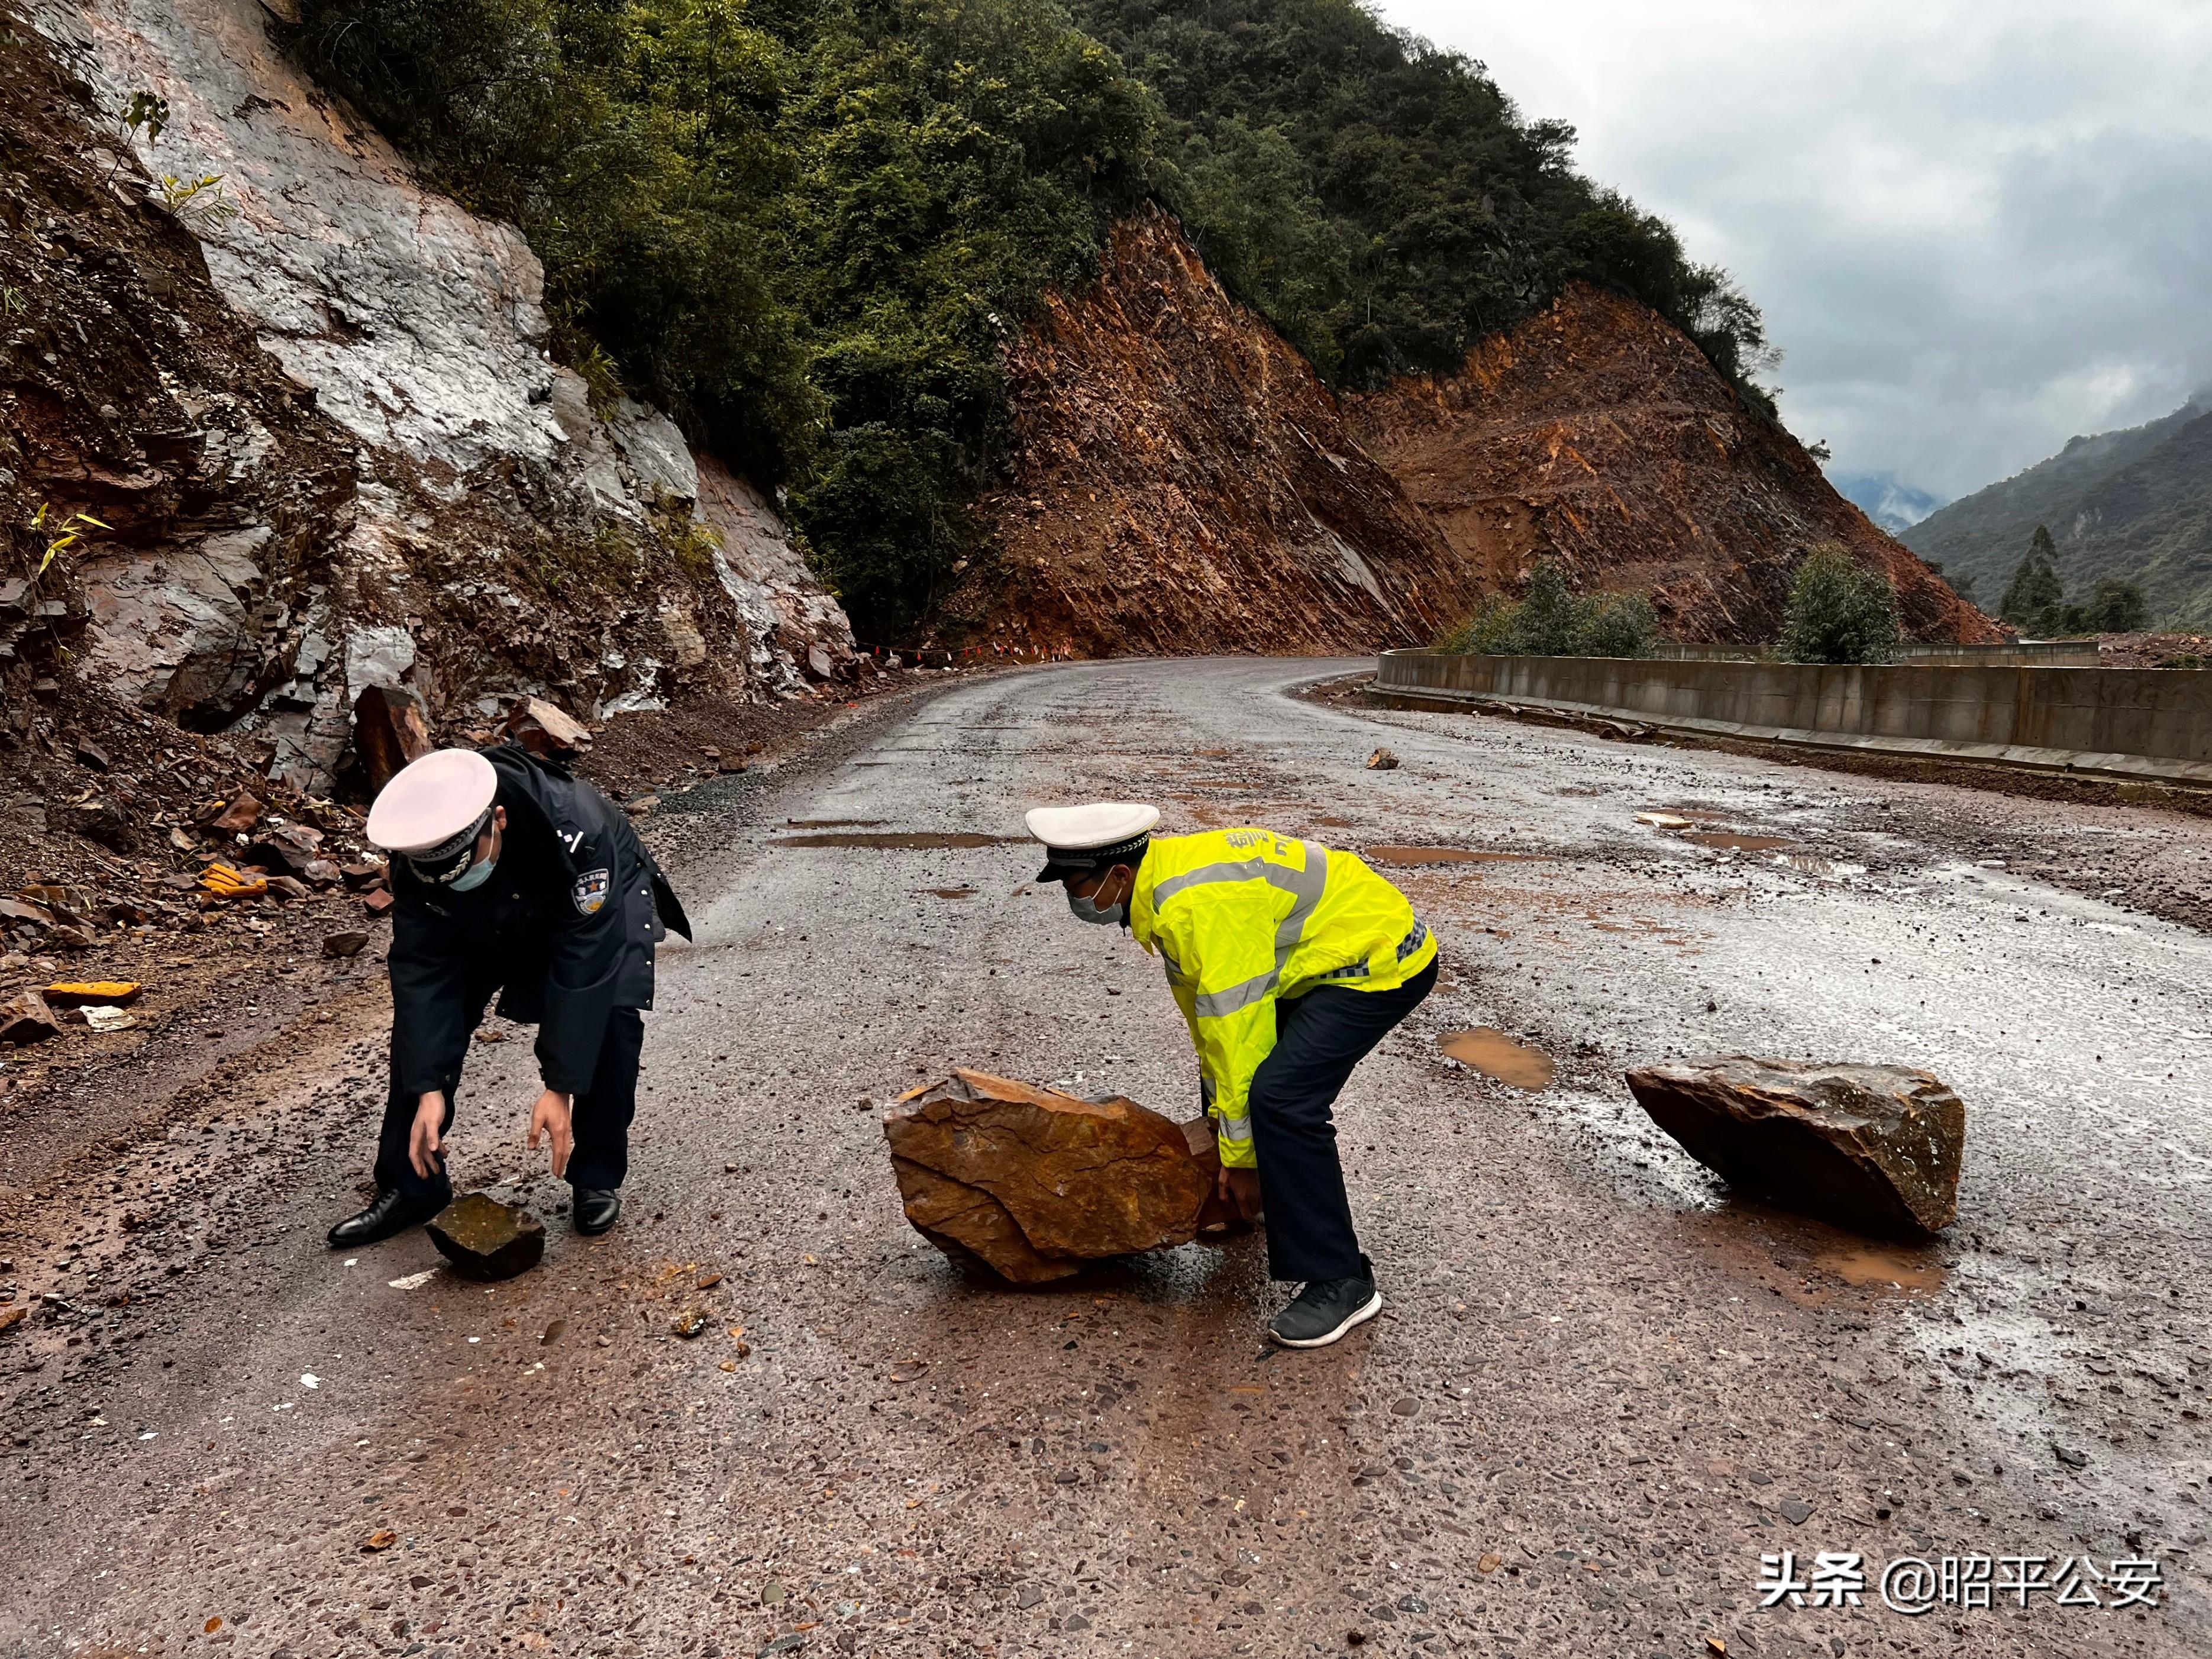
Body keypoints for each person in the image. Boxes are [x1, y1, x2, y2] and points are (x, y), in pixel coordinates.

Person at [1025, 802, 1437, 1347]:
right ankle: (1251, 1199)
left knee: (1282, 1100)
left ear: (1119, 874)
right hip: (1314, 960)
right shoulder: (1162, 888)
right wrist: (1225, 1132)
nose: (1074, 899)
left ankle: (1342, 1280)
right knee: (1232, 1080)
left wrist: (1241, 1155)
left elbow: (1237, 1033)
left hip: (1375, 963)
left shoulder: (1198, 906)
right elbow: (1212, 1029)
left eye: (1076, 886)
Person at [327, 744, 690, 1248]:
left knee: (608, 1019)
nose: (453, 879)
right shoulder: (420, 847)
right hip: (481, 913)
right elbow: (423, 974)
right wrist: (428, 1083)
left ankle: (595, 1174)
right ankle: (413, 1187)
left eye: (463, 864)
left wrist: (560, 1086)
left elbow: (582, 968)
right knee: (420, 1037)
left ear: (497, 818)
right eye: (440, 875)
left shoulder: (578, 828)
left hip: (589, 902)